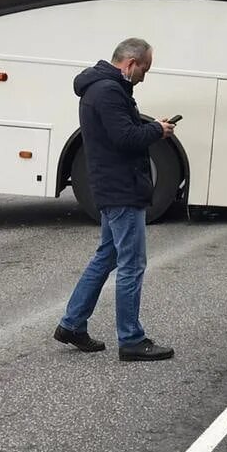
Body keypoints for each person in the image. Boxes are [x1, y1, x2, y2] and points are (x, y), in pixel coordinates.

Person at [54, 38, 177, 361]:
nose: (144, 77)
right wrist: (157, 132)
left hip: (112, 186)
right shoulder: (108, 91)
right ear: (130, 63)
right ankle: (132, 339)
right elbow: (125, 139)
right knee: (132, 264)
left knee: (106, 257)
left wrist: (151, 126)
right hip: (121, 188)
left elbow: (121, 131)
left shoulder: (103, 88)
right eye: (144, 69)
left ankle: (72, 323)